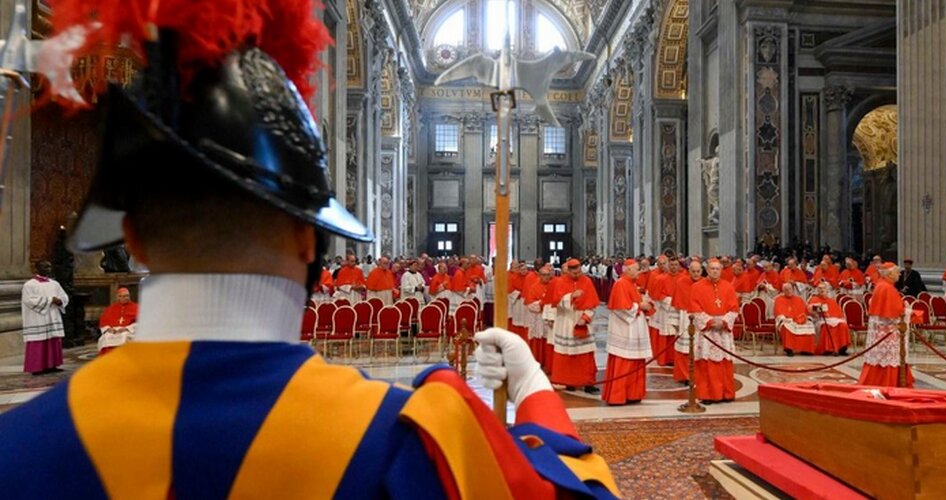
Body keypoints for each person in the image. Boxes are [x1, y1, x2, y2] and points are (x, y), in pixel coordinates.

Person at [0, 4, 616, 497]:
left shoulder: (16, 449)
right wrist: (532, 388)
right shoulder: (410, 441)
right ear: (308, 235)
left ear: (131, 236)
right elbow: (579, 490)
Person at [603, 260, 653, 405]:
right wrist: (640, 306)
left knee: (636, 361)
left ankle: (633, 394)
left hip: (635, 328)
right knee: (623, 362)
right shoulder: (621, 284)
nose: (639, 272)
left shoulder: (631, 284)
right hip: (624, 330)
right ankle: (617, 396)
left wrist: (645, 304)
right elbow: (621, 309)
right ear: (628, 270)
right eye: (637, 269)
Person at [690, 259, 739, 403]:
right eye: (712, 268)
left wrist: (724, 322)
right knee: (706, 363)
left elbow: (734, 308)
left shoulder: (728, 286)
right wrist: (710, 322)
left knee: (724, 361)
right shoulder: (697, 287)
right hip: (707, 332)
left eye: (717, 269)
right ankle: (707, 395)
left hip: (723, 330)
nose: (715, 271)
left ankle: (726, 393)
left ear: (721, 270)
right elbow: (695, 308)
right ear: (707, 270)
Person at [858, 263, 915, 387]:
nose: (899, 274)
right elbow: (893, 315)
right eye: (897, 272)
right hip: (888, 332)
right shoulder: (887, 288)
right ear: (889, 274)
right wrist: (908, 311)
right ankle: (889, 384)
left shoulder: (882, 285)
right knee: (888, 359)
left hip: (883, 331)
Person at [548, 259, 600, 393]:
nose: (577, 275)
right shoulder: (560, 282)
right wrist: (571, 296)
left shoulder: (587, 281)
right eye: (574, 273)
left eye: (579, 272)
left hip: (582, 318)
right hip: (566, 320)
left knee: (585, 353)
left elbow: (592, 303)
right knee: (568, 354)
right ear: (568, 271)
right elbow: (556, 302)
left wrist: (586, 317)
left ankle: (588, 382)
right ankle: (569, 382)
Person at [20, 260, 68, 375]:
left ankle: (52, 365)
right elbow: (28, 300)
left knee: (53, 339)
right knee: (38, 341)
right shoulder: (29, 285)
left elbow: (64, 296)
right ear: (37, 268)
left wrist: (60, 301)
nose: (48, 269)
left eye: (49, 267)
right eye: (45, 267)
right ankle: (36, 367)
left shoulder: (54, 284)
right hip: (37, 317)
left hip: (52, 315)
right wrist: (50, 300)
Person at [672, 260, 704, 384]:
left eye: (698, 271)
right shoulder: (681, 283)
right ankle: (685, 376)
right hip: (684, 318)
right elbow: (676, 305)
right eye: (693, 271)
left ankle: (698, 375)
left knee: (700, 349)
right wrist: (675, 324)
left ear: (701, 271)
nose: (696, 274)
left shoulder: (705, 283)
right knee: (683, 350)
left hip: (701, 319)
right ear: (689, 271)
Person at [523, 263, 554, 370]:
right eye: (543, 275)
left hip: (550, 319)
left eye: (548, 275)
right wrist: (541, 303)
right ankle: (537, 363)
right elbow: (529, 304)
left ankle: (549, 365)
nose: (546, 277)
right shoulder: (534, 287)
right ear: (540, 275)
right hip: (538, 318)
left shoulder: (553, 286)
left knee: (550, 340)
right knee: (538, 341)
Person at [645, 255, 674, 366]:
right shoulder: (654, 274)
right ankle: (660, 355)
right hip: (659, 306)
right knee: (660, 330)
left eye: (664, 263)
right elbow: (651, 291)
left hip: (672, 307)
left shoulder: (674, 275)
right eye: (660, 264)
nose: (662, 266)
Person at [773, 283, 816, 356]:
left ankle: (806, 349)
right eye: (786, 290)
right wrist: (784, 318)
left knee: (810, 326)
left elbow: (805, 311)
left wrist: (806, 316)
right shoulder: (778, 300)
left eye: (790, 289)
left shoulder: (799, 299)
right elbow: (778, 312)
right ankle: (789, 349)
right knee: (786, 326)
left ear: (793, 289)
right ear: (783, 291)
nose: (788, 291)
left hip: (799, 319)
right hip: (787, 320)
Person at [809, 282, 850, 356]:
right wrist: (815, 309)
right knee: (826, 326)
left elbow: (839, 313)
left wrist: (835, 318)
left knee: (843, 325)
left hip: (833, 319)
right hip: (820, 320)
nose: (822, 290)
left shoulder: (832, 301)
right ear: (817, 290)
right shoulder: (813, 299)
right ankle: (827, 349)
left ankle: (842, 348)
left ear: (827, 290)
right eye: (820, 288)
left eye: (823, 288)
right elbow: (810, 310)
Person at [97, 287, 138, 355]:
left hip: (128, 331)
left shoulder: (137, 307)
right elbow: (103, 322)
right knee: (106, 337)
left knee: (124, 337)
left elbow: (140, 322)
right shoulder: (110, 308)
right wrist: (108, 329)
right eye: (123, 296)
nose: (126, 298)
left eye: (127, 296)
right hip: (113, 330)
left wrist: (127, 328)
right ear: (118, 297)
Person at [506, 262, 528, 341]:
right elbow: (510, 289)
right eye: (522, 269)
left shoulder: (529, 277)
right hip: (517, 301)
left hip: (526, 302)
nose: (524, 271)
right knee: (516, 320)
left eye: (525, 269)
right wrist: (518, 293)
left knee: (525, 320)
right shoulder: (514, 277)